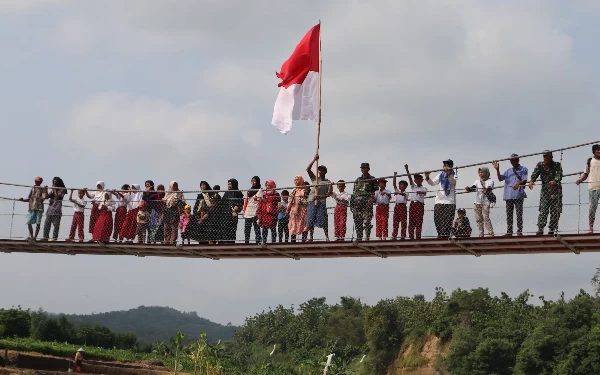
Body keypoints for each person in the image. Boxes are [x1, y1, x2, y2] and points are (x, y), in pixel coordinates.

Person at [492, 154, 528, 236]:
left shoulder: (523, 169)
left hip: (518, 195)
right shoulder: (508, 171)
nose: (512, 162)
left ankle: (519, 231)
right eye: (511, 160)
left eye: (514, 160)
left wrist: (518, 183)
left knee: (519, 214)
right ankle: (509, 231)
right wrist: (497, 170)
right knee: (509, 215)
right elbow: (500, 178)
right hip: (509, 195)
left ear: (518, 160)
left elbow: (525, 180)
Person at [528, 151, 563, 235]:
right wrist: (532, 181)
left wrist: (555, 181)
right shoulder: (540, 165)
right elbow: (535, 173)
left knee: (555, 210)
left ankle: (552, 228)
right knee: (543, 210)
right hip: (545, 191)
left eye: (547, 157)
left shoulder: (557, 165)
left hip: (555, 191)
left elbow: (559, 175)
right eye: (544, 157)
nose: (545, 158)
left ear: (551, 157)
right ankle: (540, 228)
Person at [425, 159, 457, 238]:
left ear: (450, 167)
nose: (445, 167)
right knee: (437, 219)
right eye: (444, 165)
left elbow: (453, 182)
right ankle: (440, 234)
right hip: (439, 201)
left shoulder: (454, 174)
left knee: (447, 221)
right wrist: (427, 177)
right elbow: (432, 183)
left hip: (449, 201)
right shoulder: (440, 175)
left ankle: (445, 236)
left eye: (447, 165)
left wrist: (449, 174)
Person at [305, 154, 331, 241]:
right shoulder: (314, 179)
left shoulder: (328, 182)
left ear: (325, 171)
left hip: (321, 202)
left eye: (322, 170)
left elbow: (328, 193)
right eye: (319, 169)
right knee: (311, 218)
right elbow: (308, 169)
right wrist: (314, 160)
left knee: (323, 219)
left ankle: (327, 237)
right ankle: (311, 237)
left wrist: (319, 197)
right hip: (312, 201)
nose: (320, 171)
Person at [576, 144, 600, 233]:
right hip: (593, 188)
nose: (599, 151)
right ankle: (591, 228)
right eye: (597, 150)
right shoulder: (590, 161)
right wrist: (580, 180)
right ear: (594, 151)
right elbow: (586, 174)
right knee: (592, 208)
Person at [351, 162, 378, 241]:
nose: (363, 169)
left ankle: (367, 237)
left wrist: (372, 198)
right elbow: (354, 192)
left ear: (368, 169)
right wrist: (352, 204)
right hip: (357, 204)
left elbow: (376, 191)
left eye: (365, 168)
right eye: (362, 168)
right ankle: (359, 237)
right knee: (357, 220)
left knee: (367, 220)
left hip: (367, 202)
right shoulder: (358, 180)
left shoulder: (372, 179)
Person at [466, 167, 495, 237]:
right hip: (477, 202)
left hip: (486, 202)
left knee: (486, 218)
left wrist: (486, 190)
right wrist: (468, 189)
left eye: (482, 172)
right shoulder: (477, 181)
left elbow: (489, 188)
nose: (480, 174)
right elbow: (473, 188)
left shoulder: (490, 181)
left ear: (486, 173)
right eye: (479, 172)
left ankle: (490, 233)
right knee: (478, 219)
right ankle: (481, 233)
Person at [19, 176, 46, 241]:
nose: (36, 182)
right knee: (29, 222)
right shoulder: (33, 188)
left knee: (38, 223)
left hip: (39, 208)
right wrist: (23, 200)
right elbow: (29, 198)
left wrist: (41, 198)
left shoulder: (42, 189)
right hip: (32, 207)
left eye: (37, 181)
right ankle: (31, 236)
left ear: (40, 182)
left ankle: (35, 237)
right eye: (36, 181)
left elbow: (44, 198)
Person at [405, 165, 427, 240]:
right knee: (411, 220)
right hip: (412, 204)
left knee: (418, 221)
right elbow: (409, 178)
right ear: (415, 181)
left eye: (419, 179)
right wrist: (407, 170)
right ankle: (411, 236)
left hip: (419, 205)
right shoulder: (413, 186)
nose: (417, 180)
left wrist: (420, 192)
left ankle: (418, 236)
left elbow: (424, 193)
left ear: (422, 180)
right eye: (416, 179)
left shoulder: (424, 188)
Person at [40, 177, 66, 241]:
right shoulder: (52, 190)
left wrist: (54, 189)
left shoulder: (62, 189)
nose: (54, 183)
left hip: (57, 211)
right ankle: (45, 237)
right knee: (46, 225)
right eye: (54, 182)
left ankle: (54, 238)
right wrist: (46, 190)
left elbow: (57, 197)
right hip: (50, 210)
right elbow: (46, 197)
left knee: (56, 226)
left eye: (56, 182)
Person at [221, 179, 244, 243]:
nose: (229, 185)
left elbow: (241, 202)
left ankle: (231, 242)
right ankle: (225, 242)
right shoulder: (226, 193)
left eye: (230, 184)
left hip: (233, 215)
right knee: (225, 229)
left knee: (232, 229)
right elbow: (222, 203)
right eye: (228, 184)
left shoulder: (238, 192)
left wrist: (237, 207)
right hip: (225, 215)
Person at [286, 176, 308, 242]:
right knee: (293, 225)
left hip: (302, 210)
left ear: (301, 181)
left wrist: (299, 191)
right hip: (294, 210)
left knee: (303, 224)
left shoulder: (304, 189)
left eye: (297, 180)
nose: (295, 181)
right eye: (294, 180)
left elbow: (304, 196)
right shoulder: (293, 190)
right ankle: (293, 241)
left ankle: (303, 241)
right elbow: (290, 200)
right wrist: (287, 209)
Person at [243, 176, 262, 244]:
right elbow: (246, 201)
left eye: (254, 181)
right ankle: (246, 241)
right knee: (247, 229)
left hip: (255, 212)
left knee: (256, 228)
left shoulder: (260, 190)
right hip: (248, 211)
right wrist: (244, 210)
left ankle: (258, 241)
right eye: (252, 181)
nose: (253, 182)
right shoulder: (249, 191)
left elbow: (260, 201)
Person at [392, 173, 409, 240]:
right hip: (397, 206)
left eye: (402, 185)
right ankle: (394, 235)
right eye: (400, 185)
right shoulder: (397, 191)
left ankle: (403, 235)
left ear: (405, 186)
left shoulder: (406, 193)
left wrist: (398, 193)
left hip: (402, 206)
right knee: (395, 221)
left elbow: (404, 195)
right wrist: (394, 176)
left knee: (403, 222)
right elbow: (394, 184)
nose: (400, 186)